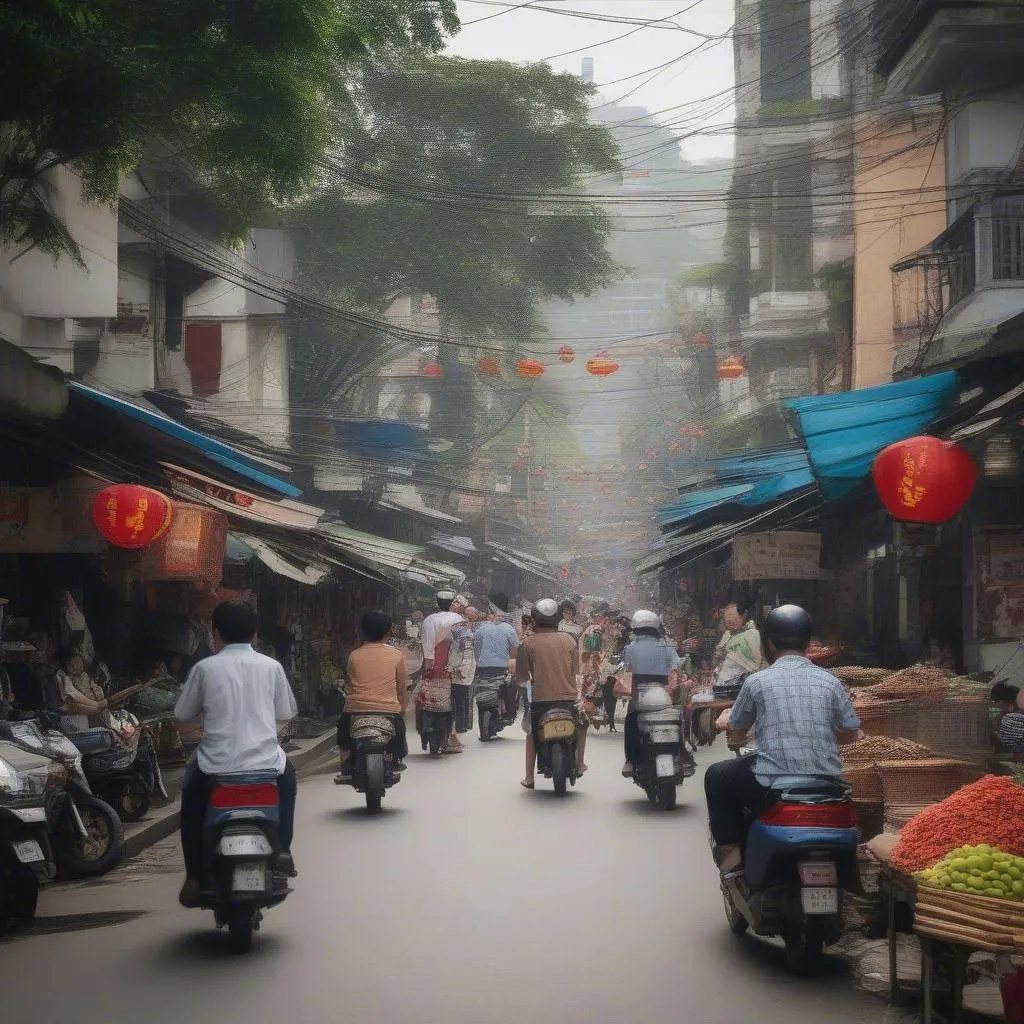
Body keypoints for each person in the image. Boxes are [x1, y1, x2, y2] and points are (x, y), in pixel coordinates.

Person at [704, 604, 861, 876]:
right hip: (828, 783)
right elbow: (850, 733)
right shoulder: (831, 682)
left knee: (716, 776)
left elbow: (738, 726)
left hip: (772, 782)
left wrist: (732, 730)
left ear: (769, 643)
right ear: (808, 642)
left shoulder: (757, 682)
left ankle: (732, 861)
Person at [174, 600, 298, 907]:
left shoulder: (204, 668)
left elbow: (183, 713)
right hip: (266, 765)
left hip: (215, 766)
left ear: (215, 633)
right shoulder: (272, 667)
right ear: (255, 634)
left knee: (190, 802)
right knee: (289, 782)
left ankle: (194, 876)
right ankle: (282, 849)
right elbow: (286, 711)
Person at [335, 611, 409, 782]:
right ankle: (393, 759)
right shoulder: (397, 655)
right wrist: (402, 709)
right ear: (388, 632)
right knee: (399, 733)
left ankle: (346, 761)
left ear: (363, 632)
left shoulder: (354, 655)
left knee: (344, 735)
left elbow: (350, 681)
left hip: (356, 709)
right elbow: (400, 686)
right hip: (388, 709)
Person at [514, 598, 580, 789]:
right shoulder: (569, 640)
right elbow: (575, 671)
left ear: (534, 619)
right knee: (578, 728)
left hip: (540, 700)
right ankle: (579, 762)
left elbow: (521, 676)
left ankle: (529, 777)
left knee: (533, 734)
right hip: (568, 699)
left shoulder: (527, 643)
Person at [616, 610, 689, 777]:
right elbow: (677, 667)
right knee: (678, 719)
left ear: (635, 629)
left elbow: (624, 668)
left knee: (631, 720)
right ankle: (682, 753)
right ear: (656, 629)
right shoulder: (666, 648)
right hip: (663, 694)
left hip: (640, 696)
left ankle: (630, 760)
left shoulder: (630, 648)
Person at [420, 589, 468, 753]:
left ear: (437, 603)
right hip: (453, 668)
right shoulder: (460, 619)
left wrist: (428, 668)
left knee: (425, 700)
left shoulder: (429, 620)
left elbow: (427, 647)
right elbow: (464, 645)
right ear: (451, 603)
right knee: (455, 702)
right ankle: (452, 734)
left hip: (433, 667)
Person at [474, 593, 520, 722]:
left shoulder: (481, 628)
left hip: (482, 668)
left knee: (481, 687)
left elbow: (476, 648)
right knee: (511, 686)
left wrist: (479, 661)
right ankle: (509, 713)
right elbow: (515, 647)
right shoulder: (509, 628)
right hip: (501, 667)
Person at [713, 597, 763, 695]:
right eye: (727, 621)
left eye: (733, 620)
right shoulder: (727, 634)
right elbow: (717, 655)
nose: (729, 624)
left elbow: (755, 662)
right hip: (723, 684)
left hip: (741, 685)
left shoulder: (752, 633)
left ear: (743, 616)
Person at [56, 648, 114, 732]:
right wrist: (95, 705)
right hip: (77, 712)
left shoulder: (86, 675)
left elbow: (95, 687)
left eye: (79, 661)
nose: (78, 665)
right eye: (73, 663)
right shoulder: (65, 677)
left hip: (96, 709)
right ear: (68, 666)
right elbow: (73, 696)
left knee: (106, 718)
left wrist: (98, 692)